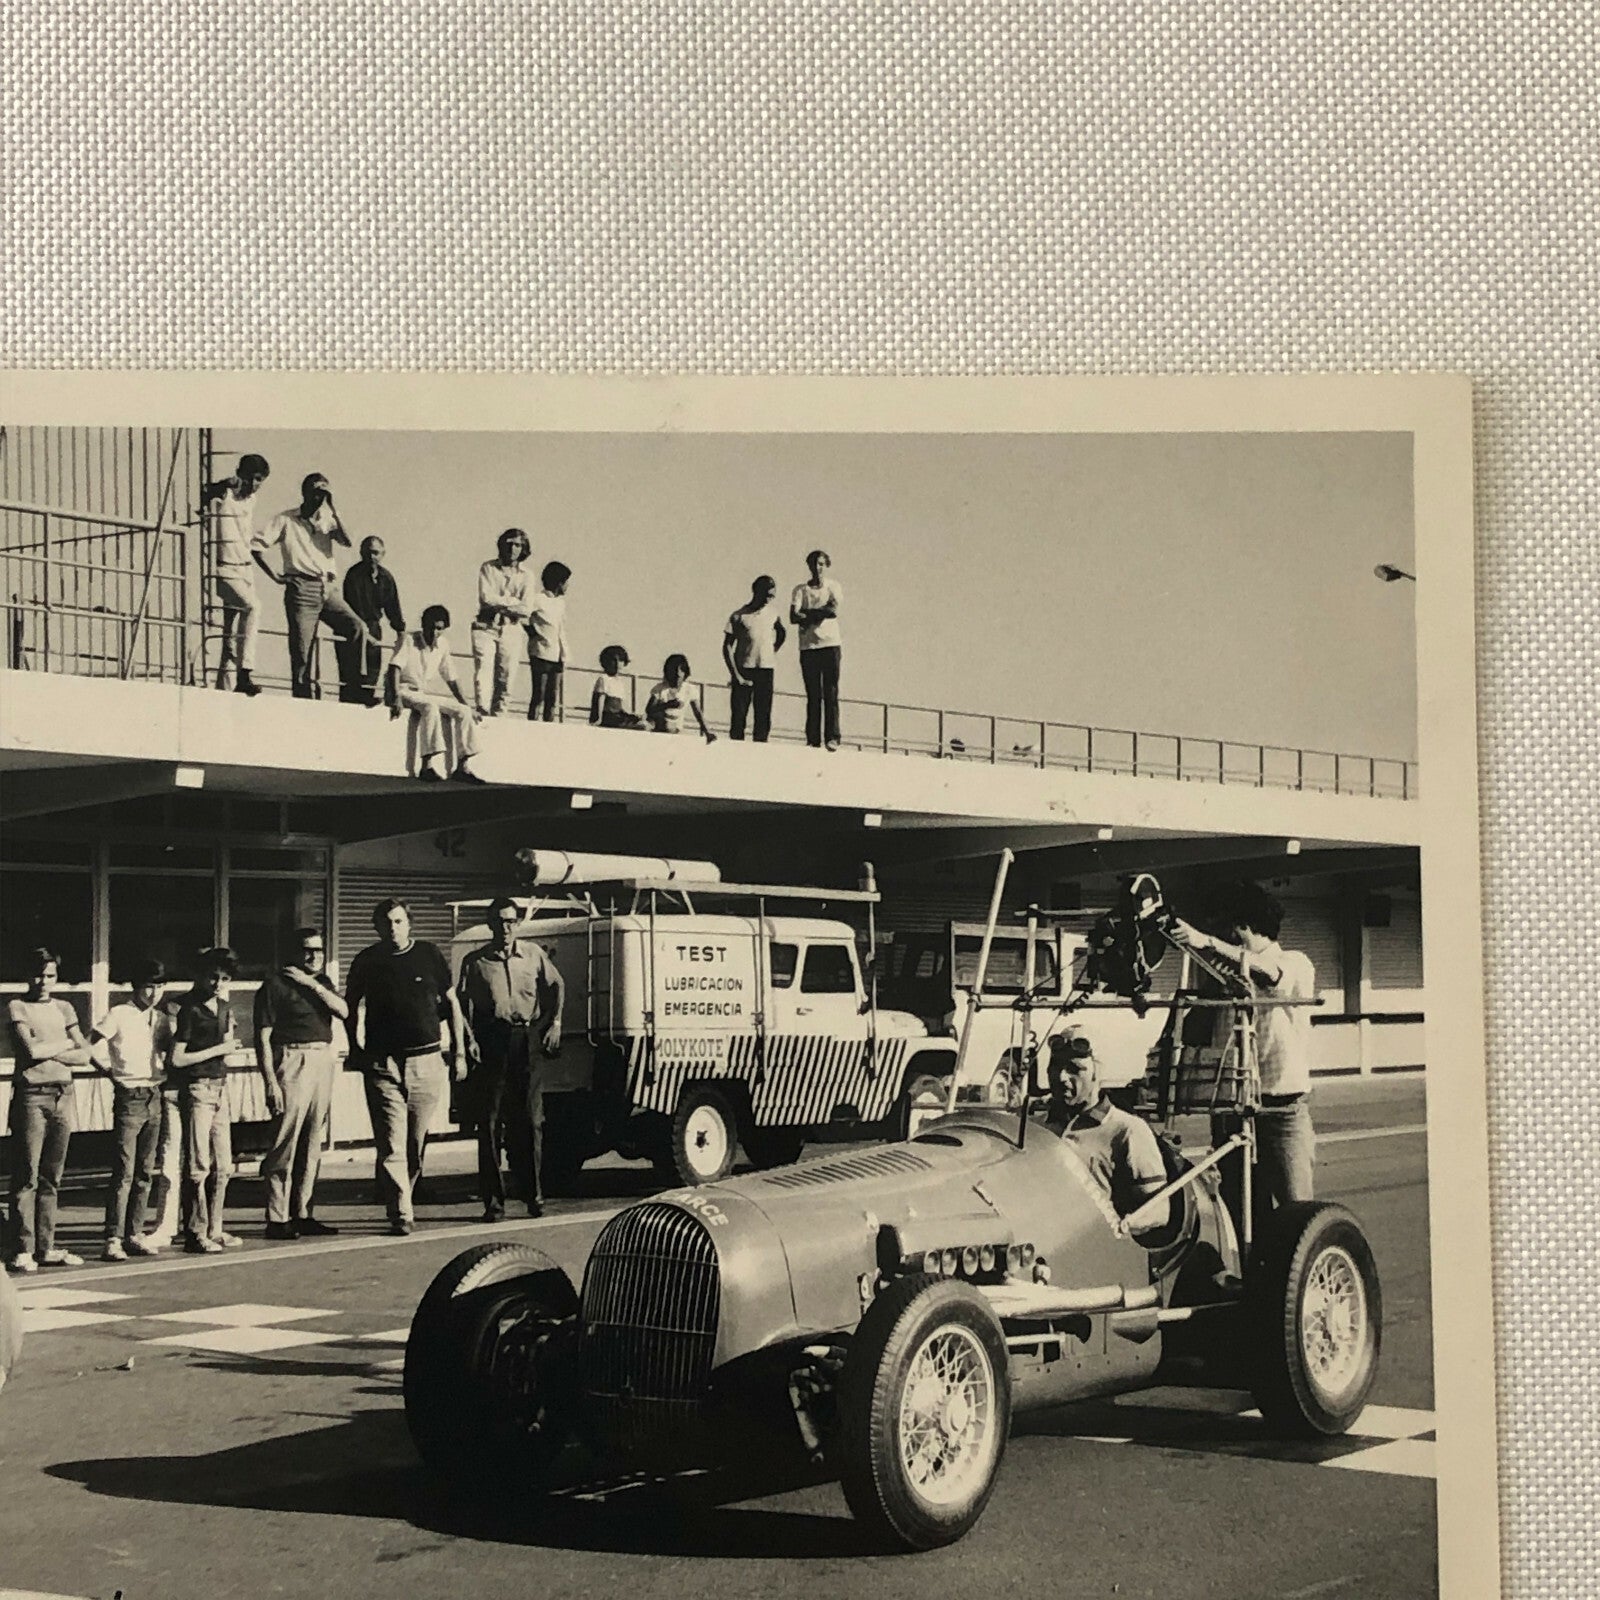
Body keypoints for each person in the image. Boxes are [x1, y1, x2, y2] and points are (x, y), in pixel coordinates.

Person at [1172, 881, 1317, 1212]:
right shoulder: (1223, 972)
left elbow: (1269, 976)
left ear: (1241, 926)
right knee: (1240, 1211)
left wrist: (1207, 942)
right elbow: (1196, 1029)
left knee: (1297, 1212)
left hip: (1280, 1110)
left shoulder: (1294, 962)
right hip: (1231, 1110)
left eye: (1225, 929)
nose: (1221, 937)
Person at [345, 899, 466, 1236]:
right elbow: (350, 1007)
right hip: (383, 1065)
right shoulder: (367, 961)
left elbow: (452, 1004)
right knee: (391, 1143)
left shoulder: (429, 954)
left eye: (399, 922)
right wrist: (355, 1048)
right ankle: (401, 1213)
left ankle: (405, 1195)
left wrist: (458, 1054)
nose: (393, 929)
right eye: (386, 923)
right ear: (377, 927)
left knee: (415, 1141)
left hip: (427, 1060)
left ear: (409, 924)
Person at [456, 897, 566, 1221]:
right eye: (499, 921)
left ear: (517, 924)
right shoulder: (474, 962)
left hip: (526, 1040)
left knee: (530, 1122)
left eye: (510, 921)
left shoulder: (533, 955)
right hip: (491, 1043)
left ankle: (533, 1195)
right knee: (489, 1123)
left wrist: (554, 1023)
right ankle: (494, 1203)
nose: (505, 928)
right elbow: (460, 1005)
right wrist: (469, 1040)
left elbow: (557, 986)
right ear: (489, 924)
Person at [255, 928, 348, 1240]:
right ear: (293, 952)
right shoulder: (274, 985)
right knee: (285, 1140)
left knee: (312, 1142)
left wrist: (310, 984)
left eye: (319, 951)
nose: (314, 956)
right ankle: (277, 1217)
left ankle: (303, 1212)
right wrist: (270, 1081)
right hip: (292, 1060)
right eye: (308, 950)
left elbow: (344, 1010)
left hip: (323, 1059)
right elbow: (263, 1037)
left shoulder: (321, 983)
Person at [5, 949, 91, 1273]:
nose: (44, 982)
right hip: (32, 1096)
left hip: (63, 1095)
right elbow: (30, 1051)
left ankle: (46, 1246)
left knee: (52, 1176)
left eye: (51, 975)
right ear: (29, 975)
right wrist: (66, 1046)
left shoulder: (65, 1007)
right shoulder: (18, 1006)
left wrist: (54, 1052)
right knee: (26, 1174)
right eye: (38, 974)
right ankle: (22, 1247)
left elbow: (85, 1055)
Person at [252, 472, 375, 699]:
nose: (319, 498)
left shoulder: (327, 520)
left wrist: (334, 507)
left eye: (323, 494)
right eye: (316, 493)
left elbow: (347, 541)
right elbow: (257, 546)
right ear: (306, 493)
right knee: (302, 650)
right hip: (301, 588)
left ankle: (355, 689)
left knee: (357, 627)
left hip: (327, 587)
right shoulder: (286, 519)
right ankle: (303, 697)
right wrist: (277, 577)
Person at [90, 958, 169, 1261]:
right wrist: (110, 1072)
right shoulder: (119, 1014)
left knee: (145, 1171)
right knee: (123, 1170)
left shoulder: (160, 1018)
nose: (153, 992)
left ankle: (134, 1232)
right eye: (149, 985)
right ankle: (113, 1236)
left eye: (159, 986)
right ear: (137, 986)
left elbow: (167, 1050)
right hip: (129, 1094)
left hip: (154, 1093)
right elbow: (91, 1044)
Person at [1045, 1032, 1168, 1225]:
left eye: (1074, 1069)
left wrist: (1130, 1223)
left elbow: (1160, 1211)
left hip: (1093, 1244)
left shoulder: (1127, 1129)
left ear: (1097, 1073)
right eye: (1055, 1066)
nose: (1061, 1076)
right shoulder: (1034, 1127)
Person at [168, 947, 242, 1255]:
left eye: (224, 978)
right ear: (201, 976)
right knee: (198, 1164)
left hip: (220, 1086)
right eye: (213, 977)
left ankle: (215, 1226)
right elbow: (177, 1058)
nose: (217, 983)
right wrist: (218, 1050)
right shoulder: (190, 1010)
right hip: (197, 1088)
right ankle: (194, 1232)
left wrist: (225, 1048)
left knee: (223, 1165)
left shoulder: (224, 1007)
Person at [387, 604, 486, 784]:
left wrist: (467, 704)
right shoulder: (409, 639)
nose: (434, 632)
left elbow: (451, 677)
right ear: (424, 625)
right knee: (430, 707)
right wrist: (395, 698)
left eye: (439, 629)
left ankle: (462, 766)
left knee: (463, 711)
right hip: (404, 690)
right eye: (431, 627)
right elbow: (394, 668)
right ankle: (427, 766)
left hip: (422, 693)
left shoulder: (443, 645)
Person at [203, 453, 269, 696]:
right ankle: (246, 672)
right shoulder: (225, 495)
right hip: (224, 567)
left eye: (260, 480)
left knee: (231, 636)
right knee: (253, 607)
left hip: (245, 568)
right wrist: (223, 485)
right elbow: (204, 494)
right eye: (252, 478)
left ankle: (225, 691)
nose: (254, 485)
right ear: (241, 474)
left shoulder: (252, 500)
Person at [337, 535, 405, 705]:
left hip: (373, 627)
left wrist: (401, 633)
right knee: (350, 671)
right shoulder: (354, 575)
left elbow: (393, 607)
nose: (371, 557)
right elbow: (352, 605)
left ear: (383, 554)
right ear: (361, 553)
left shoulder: (386, 577)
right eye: (367, 553)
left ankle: (367, 697)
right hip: (352, 626)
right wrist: (362, 629)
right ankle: (350, 702)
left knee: (373, 667)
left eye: (375, 553)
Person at [471, 528, 532, 716]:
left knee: (506, 677)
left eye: (517, 545)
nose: (513, 548)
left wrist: (503, 604)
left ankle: (500, 716)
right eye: (509, 544)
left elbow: (526, 608)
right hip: (486, 626)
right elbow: (486, 598)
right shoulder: (488, 568)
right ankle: (482, 711)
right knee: (484, 673)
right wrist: (513, 601)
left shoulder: (527, 575)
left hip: (511, 627)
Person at [790, 549, 843, 751]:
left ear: (826, 565)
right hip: (809, 646)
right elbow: (793, 617)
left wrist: (808, 614)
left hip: (830, 644)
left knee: (830, 692)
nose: (817, 568)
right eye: (814, 564)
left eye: (821, 564)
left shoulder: (833, 586)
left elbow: (832, 610)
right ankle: (813, 738)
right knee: (813, 694)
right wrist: (817, 614)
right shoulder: (800, 590)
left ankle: (833, 736)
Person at [723, 575, 787, 743]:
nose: (769, 600)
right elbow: (727, 645)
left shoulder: (773, 613)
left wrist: (772, 650)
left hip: (765, 669)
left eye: (772, 596)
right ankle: (735, 751)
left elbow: (781, 632)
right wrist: (735, 674)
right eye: (767, 595)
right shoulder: (739, 615)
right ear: (757, 592)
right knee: (739, 715)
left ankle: (761, 752)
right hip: (744, 669)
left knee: (763, 716)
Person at [525, 560, 571, 722]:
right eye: (566, 583)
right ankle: (533, 722)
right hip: (541, 651)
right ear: (559, 583)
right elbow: (524, 616)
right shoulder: (538, 599)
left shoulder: (560, 603)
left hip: (558, 653)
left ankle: (549, 725)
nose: (567, 586)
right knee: (540, 693)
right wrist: (533, 633)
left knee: (553, 695)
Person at [646, 653, 717, 742]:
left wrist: (707, 732)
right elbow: (649, 709)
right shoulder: (660, 689)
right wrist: (667, 705)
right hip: (659, 733)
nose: (677, 677)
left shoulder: (689, 689)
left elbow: (698, 713)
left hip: (677, 733)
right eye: (674, 673)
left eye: (680, 674)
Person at [589, 644, 644, 728]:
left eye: (621, 660)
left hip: (618, 715)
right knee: (639, 726)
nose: (617, 664)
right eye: (614, 661)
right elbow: (600, 700)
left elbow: (619, 706)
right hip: (609, 716)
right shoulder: (604, 679)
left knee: (642, 722)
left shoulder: (619, 682)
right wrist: (598, 719)